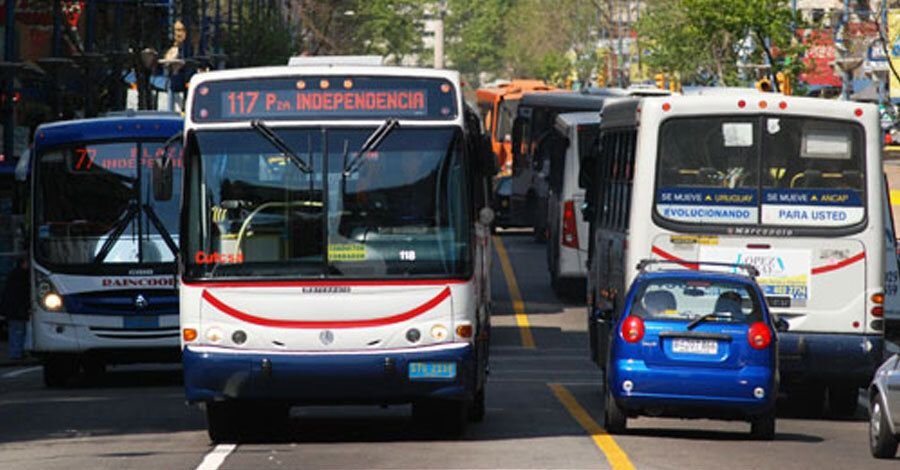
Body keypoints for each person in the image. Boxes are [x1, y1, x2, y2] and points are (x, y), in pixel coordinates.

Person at [2, 257, 30, 361]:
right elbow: (22, 294)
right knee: (18, 331)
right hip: (17, 309)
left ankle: (16, 352)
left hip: (13, 309)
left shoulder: (13, 276)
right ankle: (16, 353)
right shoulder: (21, 276)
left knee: (16, 331)